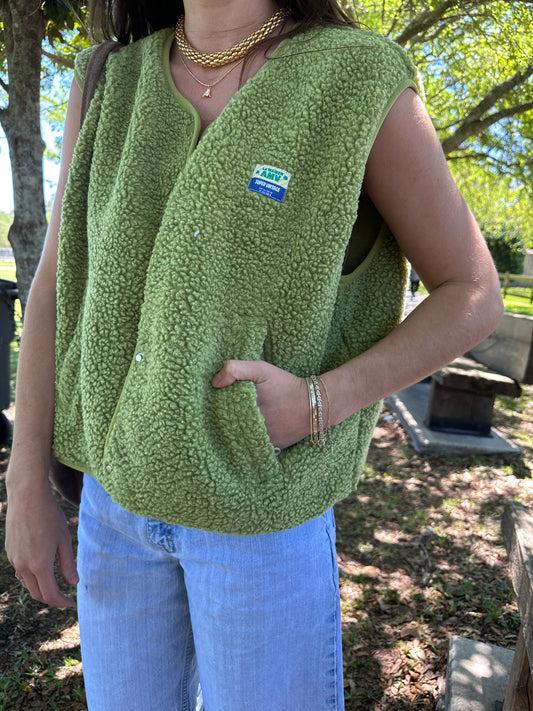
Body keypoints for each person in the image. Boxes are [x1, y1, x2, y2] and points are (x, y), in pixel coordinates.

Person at [5, 1, 503, 709]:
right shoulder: (107, 79)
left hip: (259, 517)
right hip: (113, 515)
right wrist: (26, 478)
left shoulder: (355, 78)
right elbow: (57, 282)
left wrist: (319, 400)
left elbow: (473, 291)